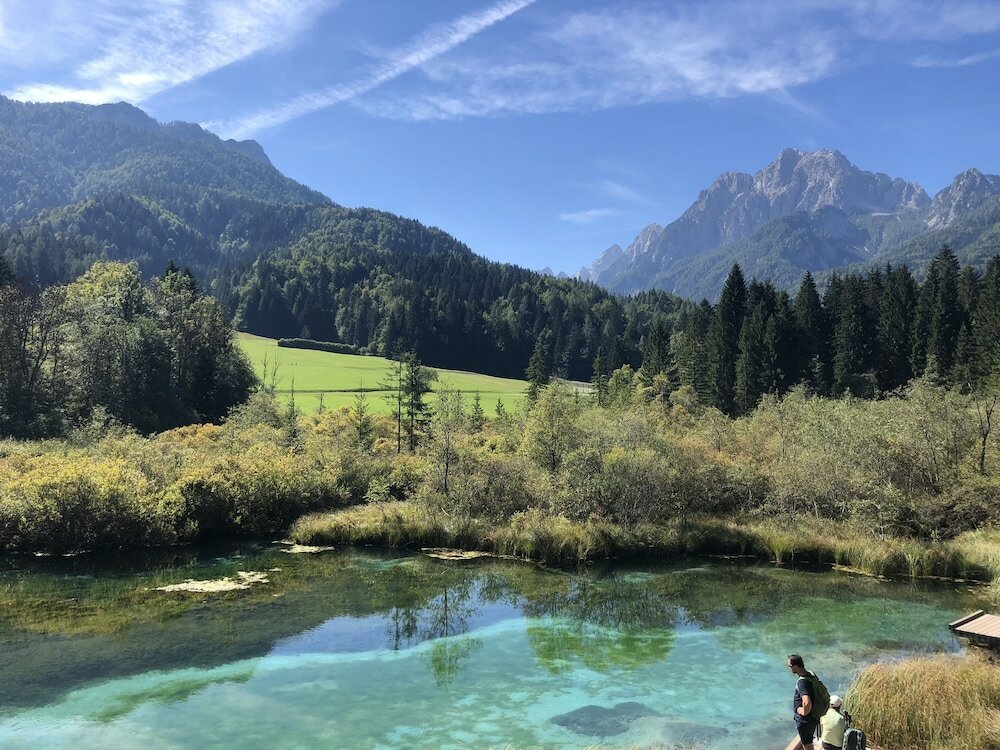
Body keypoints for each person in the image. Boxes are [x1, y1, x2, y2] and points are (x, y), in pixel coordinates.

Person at [786, 654, 818, 750]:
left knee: (807, 746)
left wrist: (802, 711)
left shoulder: (802, 682)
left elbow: (807, 702)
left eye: (790, 666)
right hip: (813, 716)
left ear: (795, 666)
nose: (789, 668)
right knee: (808, 741)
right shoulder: (811, 674)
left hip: (805, 721)